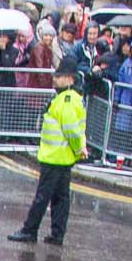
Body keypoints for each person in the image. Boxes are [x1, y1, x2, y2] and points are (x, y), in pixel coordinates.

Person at [9, 63, 85, 245]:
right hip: (61, 157)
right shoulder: (69, 97)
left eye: (59, 76)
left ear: (70, 79)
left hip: (55, 157)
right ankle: (57, 234)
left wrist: (77, 149)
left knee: (43, 197)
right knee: (60, 198)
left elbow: (71, 130)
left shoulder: (67, 99)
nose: (55, 79)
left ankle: (30, 230)